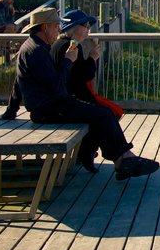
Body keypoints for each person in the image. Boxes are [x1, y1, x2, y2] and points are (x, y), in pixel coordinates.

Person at [14, 6, 159, 180]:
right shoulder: (38, 50)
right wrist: (70, 60)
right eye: (55, 26)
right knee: (104, 114)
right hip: (50, 108)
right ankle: (122, 160)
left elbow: (18, 83)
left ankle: (121, 160)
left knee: (103, 114)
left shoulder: (34, 47)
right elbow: (59, 83)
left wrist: (10, 111)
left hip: (52, 105)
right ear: (45, 27)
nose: (58, 30)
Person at [50, 9, 124, 172]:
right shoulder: (67, 47)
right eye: (85, 25)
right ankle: (90, 152)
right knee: (107, 113)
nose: (88, 28)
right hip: (70, 99)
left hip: (70, 97)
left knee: (108, 113)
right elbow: (80, 77)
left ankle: (90, 152)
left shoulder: (65, 44)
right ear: (73, 28)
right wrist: (92, 59)